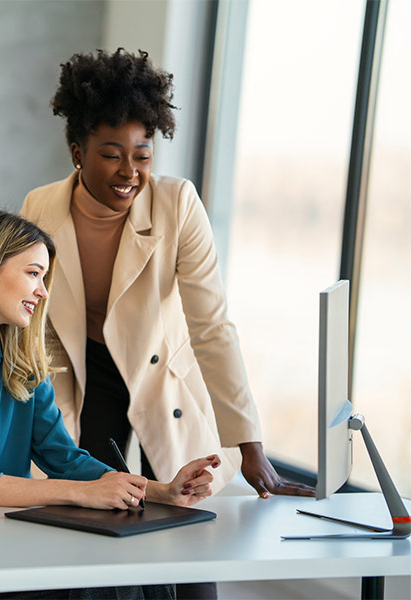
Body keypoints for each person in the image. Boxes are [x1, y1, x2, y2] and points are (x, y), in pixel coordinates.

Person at [20, 49, 315, 599]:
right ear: (76, 151)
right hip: (83, 373)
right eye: (111, 154)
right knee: (89, 526)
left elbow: (212, 326)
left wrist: (249, 442)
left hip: (163, 376)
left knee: (191, 546)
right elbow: (27, 320)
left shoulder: (178, 204)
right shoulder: (40, 207)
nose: (129, 171)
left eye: (142, 153)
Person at [0, 209, 221, 600]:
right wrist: (77, 493)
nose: (43, 291)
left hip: (6, 544)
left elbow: (66, 459)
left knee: (148, 574)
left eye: (44, 278)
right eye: (33, 273)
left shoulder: (18, 361)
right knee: (101, 588)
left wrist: (162, 492)